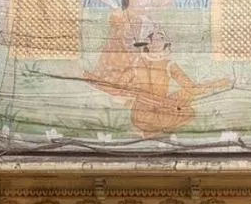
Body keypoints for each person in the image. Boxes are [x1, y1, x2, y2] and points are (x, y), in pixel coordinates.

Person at [84, 28, 232, 137]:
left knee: (184, 96)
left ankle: (152, 130)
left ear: (165, 44)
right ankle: (155, 131)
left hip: (144, 115)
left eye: (161, 38)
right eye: (155, 38)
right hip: (146, 116)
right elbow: (117, 89)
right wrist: (88, 77)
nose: (158, 41)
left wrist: (218, 83)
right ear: (148, 43)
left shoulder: (167, 63)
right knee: (187, 110)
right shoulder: (139, 63)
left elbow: (191, 89)